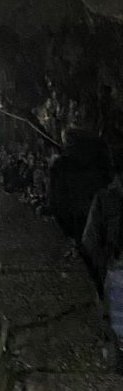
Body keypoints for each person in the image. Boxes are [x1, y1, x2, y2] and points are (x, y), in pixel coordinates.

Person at [81, 152, 123, 371]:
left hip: (116, 271)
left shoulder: (105, 199)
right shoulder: (105, 199)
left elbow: (90, 241)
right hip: (115, 270)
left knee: (118, 326)